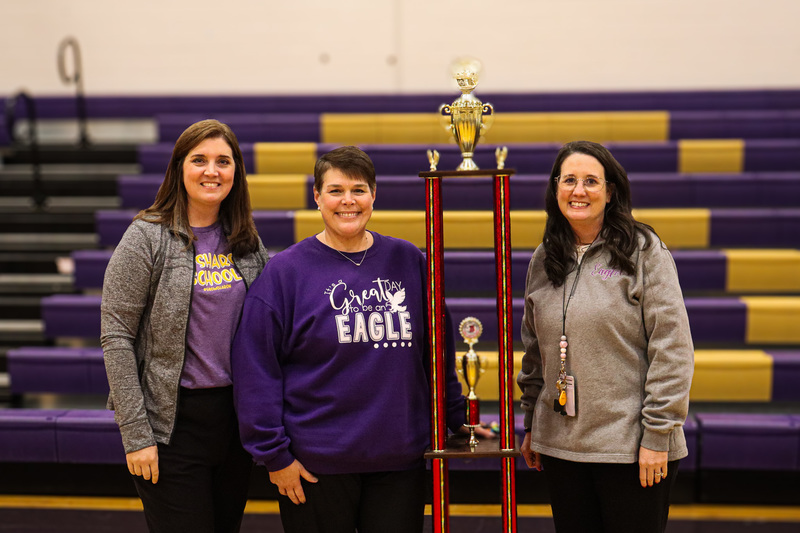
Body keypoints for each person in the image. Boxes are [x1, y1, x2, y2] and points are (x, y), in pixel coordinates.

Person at [231, 145, 485, 533]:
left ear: (374, 195)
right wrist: (275, 457)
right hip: (315, 466)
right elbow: (256, 370)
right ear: (316, 197)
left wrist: (458, 419)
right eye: (335, 190)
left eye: (358, 189)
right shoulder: (285, 273)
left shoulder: (408, 261)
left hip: (400, 462)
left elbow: (436, 352)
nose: (347, 201)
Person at [101, 119, 269, 533]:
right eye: (199, 160)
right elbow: (116, 336)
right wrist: (137, 435)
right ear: (179, 168)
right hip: (170, 426)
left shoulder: (246, 239)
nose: (212, 171)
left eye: (223, 161)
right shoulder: (147, 236)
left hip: (233, 422)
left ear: (236, 172)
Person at [517, 140, 694, 533]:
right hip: (562, 447)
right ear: (556, 188)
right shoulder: (544, 258)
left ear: (610, 191)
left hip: (631, 449)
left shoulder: (644, 250)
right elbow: (534, 350)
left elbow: (673, 349)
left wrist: (657, 435)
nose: (578, 191)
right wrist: (532, 421)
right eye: (569, 180)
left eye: (591, 181)